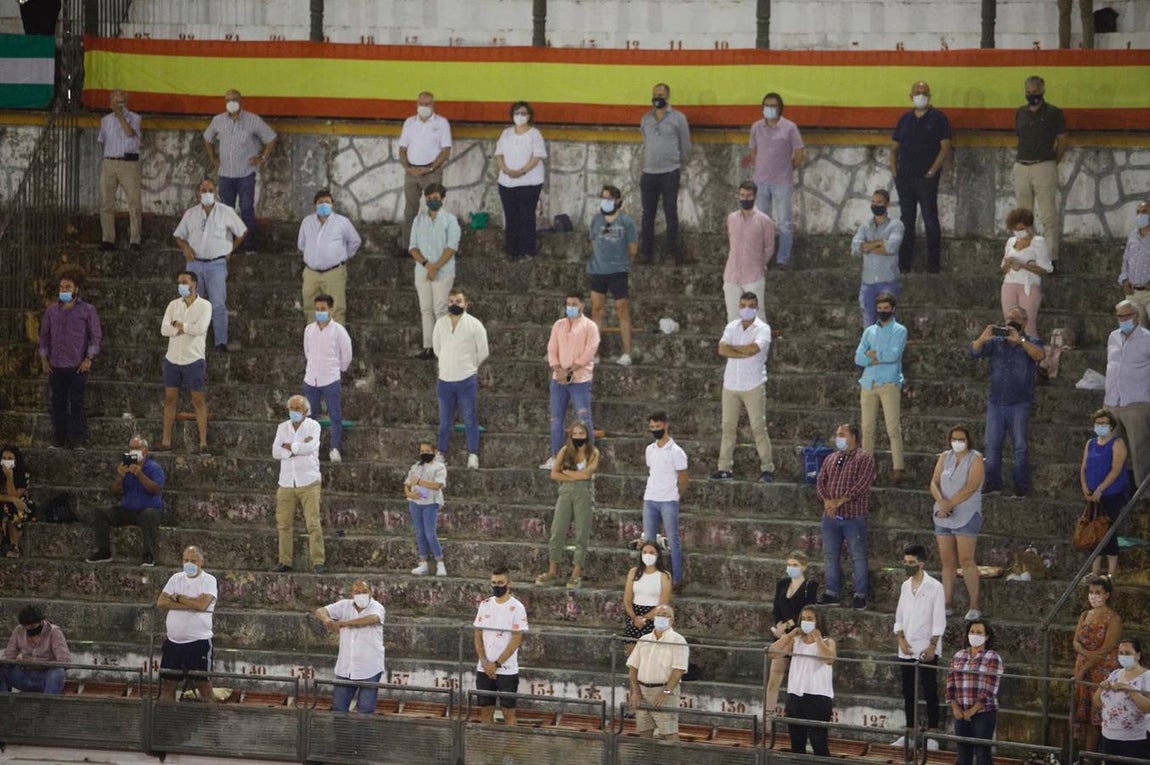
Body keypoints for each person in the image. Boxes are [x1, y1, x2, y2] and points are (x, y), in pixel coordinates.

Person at [968, 307, 1045, 498]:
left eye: (1016, 319)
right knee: (992, 444)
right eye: (1009, 318)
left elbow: (1039, 356)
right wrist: (983, 337)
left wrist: (1021, 341)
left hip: (1019, 403)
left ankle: (1021, 485)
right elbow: (974, 351)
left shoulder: (1031, 341)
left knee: (1020, 445)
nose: (1011, 322)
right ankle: (993, 482)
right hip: (996, 402)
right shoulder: (997, 342)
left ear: (1025, 322)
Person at [173, 177, 247, 353]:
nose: (207, 193)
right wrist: (185, 248)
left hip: (217, 265)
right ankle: (190, 341)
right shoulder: (191, 214)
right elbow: (178, 235)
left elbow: (242, 231)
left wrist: (230, 250)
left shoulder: (226, 212)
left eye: (210, 190)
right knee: (191, 303)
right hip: (194, 265)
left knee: (218, 304)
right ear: (198, 193)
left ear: (216, 192)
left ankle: (220, 342)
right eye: (203, 190)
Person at [711, 291, 776, 483]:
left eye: (751, 306)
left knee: (758, 427)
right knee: (728, 427)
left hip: (753, 384)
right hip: (731, 384)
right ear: (739, 307)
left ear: (756, 307)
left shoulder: (763, 329)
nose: (746, 309)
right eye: (743, 305)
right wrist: (742, 352)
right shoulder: (732, 326)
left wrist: (734, 350)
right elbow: (722, 349)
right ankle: (724, 468)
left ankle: (767, 468)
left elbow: (754, 349)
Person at [203, 89, 277, 253]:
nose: (231, 103)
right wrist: (213, 157)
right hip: (225, 175)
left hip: (245, 174)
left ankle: (249, 246)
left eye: (234, 99)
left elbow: (271, 137)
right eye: (228, 100)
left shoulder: (253, 120)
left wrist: (262, 158)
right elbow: (208, 138)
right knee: (225, 210)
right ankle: (228, 246)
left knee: (246, 209)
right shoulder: (218, 120)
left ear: (240, 101)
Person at [890, 81, 951, 274]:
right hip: (905, 178)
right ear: (911, 96)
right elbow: (894, 148)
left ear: (929, 96)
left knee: (930, 219)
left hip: (926, 179)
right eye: (917, 92)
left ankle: (933, 266)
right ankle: (903, 265)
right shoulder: (905, 119)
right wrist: (895, 172)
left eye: (924, 93)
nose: (921, 96)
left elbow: (945, 147)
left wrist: (932, 171)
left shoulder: (939, 118)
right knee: (906, 221)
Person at [815, 423, 876, 610]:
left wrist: (839, 501)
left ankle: (860, 594)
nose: (838, 437)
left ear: (854, 437)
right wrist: (827, 501)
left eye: (842, 434)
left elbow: (862, 484)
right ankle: (832, 592)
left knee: (858, 556)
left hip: (853, 516)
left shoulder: (865, 458)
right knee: (830, 555)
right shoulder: (832, 458)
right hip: (830, 517)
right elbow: (820, 481)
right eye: (837, 434)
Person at [38, 271, 101, 449]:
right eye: (61, 287)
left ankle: (78, 439)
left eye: (68, 287)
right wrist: (44, 359)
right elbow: (44, 336)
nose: (64, 290)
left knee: (77, 403)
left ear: (76, 289)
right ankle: (59, 438)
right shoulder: (51, 310)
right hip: (56, 364)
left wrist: (88, 358)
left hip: (77, 365)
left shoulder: (87, 310)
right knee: (58, 403)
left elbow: (95, 336)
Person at [892, 544, 946, 750]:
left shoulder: (935, 587)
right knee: (908, 691)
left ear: (921, 563)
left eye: (911, 563)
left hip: (926, 646)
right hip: (906, 647)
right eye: (905, 562)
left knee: (929, 689)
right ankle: (910, 732)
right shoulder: (905, 586)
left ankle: (933, 733)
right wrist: (901, 639)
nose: (908, 566)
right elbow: (899, 616)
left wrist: (933, 645)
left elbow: (938, 619)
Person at [929, 425, 986, 620]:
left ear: (968, 440)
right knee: (947, 561)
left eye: (961, 439)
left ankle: (974, 605)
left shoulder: (976, 458)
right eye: (954, 439)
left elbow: (972, 486)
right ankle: (947, 603)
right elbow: (934, 483)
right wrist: (942, 504)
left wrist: (950, 504)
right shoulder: (945, 457)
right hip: (943, 514)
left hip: (966, 514)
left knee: (966, 560)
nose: (957, 442)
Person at [535, 421, 600, 590]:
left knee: (582, 533)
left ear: (587, 435)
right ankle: (552, 571)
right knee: (557, 531)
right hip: (565, 492)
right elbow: (555, 473)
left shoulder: (593, 452)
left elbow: (587, 473)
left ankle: (576, 572)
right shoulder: (565, 451)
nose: (578, 436)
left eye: (582, 433)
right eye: (575, 433)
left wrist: (569, 472)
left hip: (583, 494)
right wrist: (575, 476)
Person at [541, 292, 600, 470]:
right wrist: (558, 369)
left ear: (582, 305)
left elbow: (590, 351)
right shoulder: (558, 325)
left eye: (574, 304)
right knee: (556, 419)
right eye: (568, 304)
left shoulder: (590, 326)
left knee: (583, 418)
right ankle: (556, 457)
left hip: (580, 380)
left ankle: (586, 458)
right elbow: (552, 348)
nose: (571, 307)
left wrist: (571, 369)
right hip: (558, 379)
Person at [85, 436, 165, 566]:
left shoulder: (155, 468)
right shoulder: (126, 465)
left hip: (148, 510)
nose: (133, 451)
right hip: (128, 510)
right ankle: (103, 551)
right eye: (131, 449)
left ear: (145, 450)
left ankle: (149, 555)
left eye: (137, 448)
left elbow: (156, 490)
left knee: (149, 515)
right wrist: (121, 476)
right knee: (101, 513)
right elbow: (114, 492)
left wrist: (140, 475)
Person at [432, 288, 489, 469]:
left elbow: (483, 351)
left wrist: (470, 367)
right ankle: (441, 453)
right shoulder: (440, 324)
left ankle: (473, 454)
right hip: (445, 380)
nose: (454, 305)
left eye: (458, 301)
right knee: (444, 420)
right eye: (451, 301)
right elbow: (437, 349)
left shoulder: (475, 325)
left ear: (466, 304)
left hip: (466, 380)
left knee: (470, 418)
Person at [745, 92, 803, 267]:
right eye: (766, 105)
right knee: (762, 223)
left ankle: (783, 260)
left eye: (773, 106)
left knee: (785, 223)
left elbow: (799, 153)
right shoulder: (756, 127)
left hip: (782, 184)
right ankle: (763, 260)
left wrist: (788, 168)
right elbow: (753, 151)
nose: (769, 109)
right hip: (760, 183)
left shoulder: (790, 127)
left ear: (780, 108)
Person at [1014, 76, 1068, 264]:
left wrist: (1053, 162)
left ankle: (1050, 258)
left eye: (1035, 92)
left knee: (1048, 215)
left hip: (1044, 165)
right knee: (1023, 215)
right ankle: (1027, 254)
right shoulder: (1020, 112)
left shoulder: (1054, 113)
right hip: (1022, 165)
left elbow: (1062, 142)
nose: (1032, 95)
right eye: (1029, 92)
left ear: (1043, 91)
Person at [854, 291, 906, 482]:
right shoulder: (869, 331)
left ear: (892, 309)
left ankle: (898, 467)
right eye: (879, 308)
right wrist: (875, 357)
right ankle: (867, 469)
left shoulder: (899, 330)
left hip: (889, 382)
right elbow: (858, 357)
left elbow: (894, 355)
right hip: (869, 382)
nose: (882, 311)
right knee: (867, 428)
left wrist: (874, 356)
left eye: (886, 308)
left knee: (893, 427)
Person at [157, 271, 212, 452]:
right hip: (173, 358)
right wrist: (180, 329)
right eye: (179, 281)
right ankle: (166, 441)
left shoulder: (205, 305)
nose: (181, 284)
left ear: (194, 283)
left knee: (198, 400)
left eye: (184, 281)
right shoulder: (173, 305)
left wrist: (180, 325)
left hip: (193, 358)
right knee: (170, 398)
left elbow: (200, 328)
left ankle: (203, 442)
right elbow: (164, 329)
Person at [156, 546, 218, 702]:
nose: (189, 563)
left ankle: (212, 722)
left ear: (201, 562)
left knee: (203, 685)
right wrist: (189, 604)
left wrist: (177, 597)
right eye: (186, 560)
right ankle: (166, 719)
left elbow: (202, 605)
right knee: (169, 684)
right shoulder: (176, 578)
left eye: (193, 560)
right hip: (173, 643)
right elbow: (162, 601)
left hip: (198, 643)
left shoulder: (209, 580)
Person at [314, 580, 387, 714]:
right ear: (352, 593)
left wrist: (345, 623)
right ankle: (342, 736)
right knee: (339, 709)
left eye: (364, 592)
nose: (361, 595)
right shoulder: (344, 605)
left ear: (370, 592)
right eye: (357, 592)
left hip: (370, 668)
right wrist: (327, 620)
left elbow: (372, 619)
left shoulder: (377, 607)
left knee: (365, 711)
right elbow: (320, 610)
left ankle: (362, 736)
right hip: (345, 668)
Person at [272, 395, 325, 574]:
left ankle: (318, 561)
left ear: (305, 410)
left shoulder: (313, 426)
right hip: (286, 481)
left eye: (298, 408)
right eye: (292, 408)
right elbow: (275, 451)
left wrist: (289, 446)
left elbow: (310, 447)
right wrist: (295, 450)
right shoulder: (282, 427)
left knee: (313, 522)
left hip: (308, 481)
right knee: (284, 524)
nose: (294, 411)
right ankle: (284, 560)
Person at [773, 606, 836, 756]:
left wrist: (818, 639)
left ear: (818, 621)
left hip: (818, 697)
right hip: (795, 695)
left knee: (818, 741)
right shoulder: (795, 641)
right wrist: (789, 635)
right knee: (796, 742)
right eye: (803, 619)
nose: (806, 622)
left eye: (810, 619)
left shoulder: (828, 641)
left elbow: (829, 659)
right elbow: (772, 653)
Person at [639, 83, 691, 264]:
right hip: (649, 173)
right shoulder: (646, 119)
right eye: (654, 94)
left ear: (668, 97)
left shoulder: (678, 118)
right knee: (647, 214)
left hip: (670, 172)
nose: (657, 97)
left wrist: (677, 166)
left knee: (671, 213)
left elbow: (685, 146)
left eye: (660, 94)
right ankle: (645, 253)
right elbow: (645, 140)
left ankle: (672, 253)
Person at [588, 184, 639, 366]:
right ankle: (595, 353)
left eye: (609, 198)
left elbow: (633, 249)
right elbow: (593, 242)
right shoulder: (596, 220)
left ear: (618, 201)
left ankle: (626, 353)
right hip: (598, 271)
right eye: (603, 197)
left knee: (622, 310)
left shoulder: (627, 222)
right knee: (596, 310)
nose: (605, 201)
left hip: (618, 271)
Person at [410, 183, 461, 360]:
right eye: (429, 198)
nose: (432, 201)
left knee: (440, 309)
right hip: (423, 270)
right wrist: (427, 265)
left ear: (443, 199)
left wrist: (436, 266)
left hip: (444, 271)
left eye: (436, 198)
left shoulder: (450, 220)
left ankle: (443, 348)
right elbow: (413, 247)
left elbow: (451, 247)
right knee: (425, 309)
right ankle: (428, 347)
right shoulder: (418, 220)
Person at [473, 566, 529, 725]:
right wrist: (484, 662)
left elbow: (516, 639)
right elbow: (478, 634)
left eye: (500, 582)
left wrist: (497, 664)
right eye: (494, 583)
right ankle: (488, 746)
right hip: (484, 668)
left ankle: (510, 748)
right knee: (485, 710)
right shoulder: (485, 604)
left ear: (508, 583)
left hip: (507, 669)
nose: (497, 586)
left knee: (508, 712)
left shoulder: (517, 608)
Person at [1072, 576, 1122, 754]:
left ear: (1107, 595)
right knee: (1083, 713)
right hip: (1084, 664)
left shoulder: (1113, 618)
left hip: (1102, 670)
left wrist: (1086, 665)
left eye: (1098, 593)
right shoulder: (1085, 615)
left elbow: (1106, 649)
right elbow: (1076, 642)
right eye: (1091, 592)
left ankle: (1094, 755)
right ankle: (1083, 755)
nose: (1094, 596)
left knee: (1097, 714)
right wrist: (1085, 656)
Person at [1104, 300, 1150, 487]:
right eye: (1120, 316)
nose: (1123, 319)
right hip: (1112, 403)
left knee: (1140, 453)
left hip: (1136, 404)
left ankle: (1144, 497)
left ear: (1136, 316)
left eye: (1127, 315)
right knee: (1110, 451)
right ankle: (1112, 494)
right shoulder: (1113, 337)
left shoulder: (1147, 339)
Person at [297, 189, 362, 324]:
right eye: (320, 202)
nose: (324, 205)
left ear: (332, 204)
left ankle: (335, 344)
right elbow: (301, 244)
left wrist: (341, 256)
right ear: (314, 205)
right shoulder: (307, 222)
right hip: (311, 273)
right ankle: (314, 342)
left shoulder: (342, 222)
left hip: (334, 273)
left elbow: (355, 241)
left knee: (336, 310)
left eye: (327, 202)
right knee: (310, 309)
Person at [945, 618, 1004, 765]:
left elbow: (990, 688)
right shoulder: (959, 655)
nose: (975, 635)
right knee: (963, 752)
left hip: (983, 712)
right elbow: (950, 683)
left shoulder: (992, 657)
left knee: (982, 753)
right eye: (972, 632)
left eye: (979, 632)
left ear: (987, 636)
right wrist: (955, 707)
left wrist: (973, 710)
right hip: (961, 711)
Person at [399, 92, 452, 253]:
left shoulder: (442, 123)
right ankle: (407, 246)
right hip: (411, 172)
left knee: (434, 210)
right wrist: (408, 168)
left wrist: (430, 169)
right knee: (410, 211)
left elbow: (445, 151)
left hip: (432, 172)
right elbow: (402, 148)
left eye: (428, 104)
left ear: (433, 105)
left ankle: (434, 247)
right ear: (416, 104)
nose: (424, 107)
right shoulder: (409, 122)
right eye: (421, 104)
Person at [765, 551, 819, 713]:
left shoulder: (810, 586)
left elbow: (807, 611)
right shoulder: (782, 583)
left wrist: (790, 623)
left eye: (795, 565)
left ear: (803, 567)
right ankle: (768, 716)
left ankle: (799, 714)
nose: (791, 568)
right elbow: (776, 608)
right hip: (783, 636)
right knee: (774, 678)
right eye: (789, 564)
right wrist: (780, 624)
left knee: (799, 680)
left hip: (800, 634)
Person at [626, 604, 689, 741]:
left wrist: (666, 692)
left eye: (666, 615)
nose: (662, 617)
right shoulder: (644, 639)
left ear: (672, 620)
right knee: (644, 731)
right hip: (642, 691)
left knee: (669, 733)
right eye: (659, 614)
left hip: (664, 691)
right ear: (654, 617)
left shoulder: (678, 640)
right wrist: (636, 691)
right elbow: (633, 666)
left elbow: (679, 670)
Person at [642, 412, 689, 594]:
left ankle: (677, 579)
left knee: (673, 540)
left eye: (658, 427)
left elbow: (684, 478)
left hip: (668, 500)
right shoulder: (650, 449)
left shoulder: (677, 452)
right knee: (649, 541)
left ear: (666, 425)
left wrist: (676, 494)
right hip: (650, 498)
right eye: (652, 427)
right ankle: (650, 578)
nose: (655, 430)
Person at [303, 294, 353, 464]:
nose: (320, 312)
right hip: (311, 380)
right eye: (317, 309)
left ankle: (334, 448)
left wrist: (338, 369)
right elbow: (307, 351)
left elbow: (346, 354)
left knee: (335, 415)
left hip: (330, 379)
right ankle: (310, 450)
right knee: (310, 417)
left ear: (331, 309)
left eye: (323, 309)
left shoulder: (339, 331)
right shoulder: (309, 330)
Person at [1080, 409, 1130, 578]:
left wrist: (1101, 489)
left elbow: (1116, 470)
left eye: (1104, 423)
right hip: (1093, 495)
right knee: (1093, 532)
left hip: (1111, 494)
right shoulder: (1090, 443)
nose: (1100, 426)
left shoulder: (1117, 444)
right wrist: (1085, 487)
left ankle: (1110, 573)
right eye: (1098, 423)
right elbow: (1084, 467)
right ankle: (1094, 571)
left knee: (1108, 531)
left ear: (1111, 426)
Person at [495, 101, 547, 261]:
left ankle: (527, 251)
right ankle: (511, 251)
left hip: (530, 181)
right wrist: (505, 169)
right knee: (511, 216)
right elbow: (499, 154)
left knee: (526, 215)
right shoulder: (506, 133)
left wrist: (522, 171)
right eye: (517, 113)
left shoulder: (534, 134)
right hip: (506, 181)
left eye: (523, 113)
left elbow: (537, 156)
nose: (520, 116)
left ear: (529, 116)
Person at [851, 189, 905, 327]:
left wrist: (868, 246)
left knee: (890, 324)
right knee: (869, 324)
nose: (875, 205)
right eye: (873, 202)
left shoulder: (896, 225)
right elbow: (856, 248)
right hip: (867, 283)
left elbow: (891, 248)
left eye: (879, 202)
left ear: (887, 204)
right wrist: (879, 242)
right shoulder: (865, 226)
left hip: (888, 282)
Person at [722, 182, 775, 321]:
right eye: (742, 195)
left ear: (755, 196)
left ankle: (761, 343)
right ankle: (737, 343)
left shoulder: (765, 221)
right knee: (733, 317)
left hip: (753, 276)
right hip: (731, 275)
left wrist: (759, 264)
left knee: (757, 317)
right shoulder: (731, 219)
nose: (745, 199)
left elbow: (769, 247)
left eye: (748, 196)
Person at [97, 89, 142, 251]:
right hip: (109, 162)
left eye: (121, 101)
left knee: (134, 202)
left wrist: (121, 115)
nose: (119, 105)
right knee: (106, 202)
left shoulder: (135, 118)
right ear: (110, 102)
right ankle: (108, 238)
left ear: (126, 102)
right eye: (116, 102)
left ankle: (135, 239)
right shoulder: (105, 121)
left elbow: (130, 133)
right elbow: (102, 140)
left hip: (128, 163)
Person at [1094, 637, 1150, 762]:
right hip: (1109, 736)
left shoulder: (1147, 677)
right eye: (1121, 653)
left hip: (1134, 739)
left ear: (1138, 655)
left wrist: (1130, 690)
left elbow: (1148, 707)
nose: (1123, 656)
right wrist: (1100, 688)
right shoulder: (1115, 674)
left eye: (1128, 653)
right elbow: (1097, 703)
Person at [1000, 207, 1053, 337]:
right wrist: (1008, 263)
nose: (1018, 232)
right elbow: (1003, 268)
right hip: (1009, 284)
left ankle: (1030, 354)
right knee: (1010, 324)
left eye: (1021, 229)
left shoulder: (1038, 242)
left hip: (1028, 286)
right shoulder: (1010, 242)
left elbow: (1045, 269)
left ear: (1028, 227)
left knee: (1028, 325)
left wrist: (1024, 265)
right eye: (1015, 229)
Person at [0, 605, 70, 694]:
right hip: (24, 675)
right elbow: (9, 655)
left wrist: (36, 662)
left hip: (46, 678)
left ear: (41, 621)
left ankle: (47, 706)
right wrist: (16, 661)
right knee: (3, 668)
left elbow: (65, 661)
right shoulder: (19, 630)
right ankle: (3, 703)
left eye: (32, 626)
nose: (29, 629)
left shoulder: (54, 632)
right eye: (26, 627)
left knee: (58, 672)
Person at [404, 441, 447, 577]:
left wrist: (419, 482)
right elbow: (407, 483)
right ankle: (423, 563)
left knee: (430, 533)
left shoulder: (439, 467)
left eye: (427, 451)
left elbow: (437, 485)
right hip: (415, 502)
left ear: (434, 451)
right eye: (422, 451)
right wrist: (409, 493)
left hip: (431, 503)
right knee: (420, 533)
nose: (424, 453)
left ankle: (440, 562)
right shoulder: (416, 466)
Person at [621, 542, 672, 656]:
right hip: (635, 614)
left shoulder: (664, 575)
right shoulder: (634, 572)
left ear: (658, 554)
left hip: (656, 615)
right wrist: (635, 618)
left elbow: (664, 602)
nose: (647, 555)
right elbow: (627, 599)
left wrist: (645, 618)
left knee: (652, 655)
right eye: (644, 552)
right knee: (633, 657)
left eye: (651, 552)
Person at [1119, 200, 1150, 321]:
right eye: (1138, 212)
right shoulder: (1133, 236)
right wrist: (1124, 280)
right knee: (1135, 331)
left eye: (1144, 212)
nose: (1140, 215)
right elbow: (1126, 259)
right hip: (1133, 293)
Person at [0, 446, 31, 558]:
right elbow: (12, 498)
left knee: (10, 508)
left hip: (19, 505)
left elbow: (15, 495)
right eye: (3, 458)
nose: (6, 461)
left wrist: (9, 478)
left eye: (9, 458)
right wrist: (11, 499)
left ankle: (14, 545)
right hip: (7, 502)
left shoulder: (23, 473)